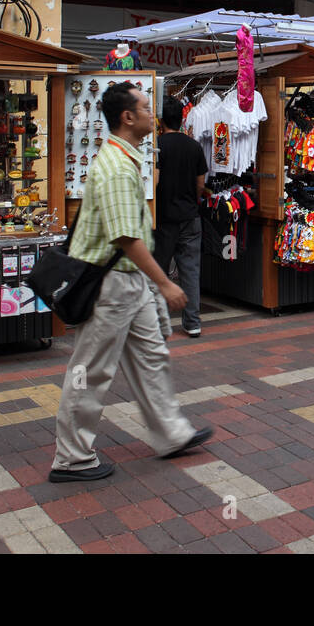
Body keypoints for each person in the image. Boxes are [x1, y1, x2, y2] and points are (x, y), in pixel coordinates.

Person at [50, 82, 212, 482]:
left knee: (152, 357)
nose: (150, 113)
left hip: (128, 280)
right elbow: (126, 237)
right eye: (144, 107)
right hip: (111, 283)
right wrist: (166, 284)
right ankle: (71, 458)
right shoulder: (118, 166)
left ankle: (171, 433)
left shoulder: (125, 158)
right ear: (127, 117)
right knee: (90, 371)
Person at [154, 94, 207, 338]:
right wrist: (192, 202)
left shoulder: (157, 147)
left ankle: (158, 322)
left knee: (159, 271)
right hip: (190, 216)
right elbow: (200, 183)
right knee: (190, 271)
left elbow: (152, 183)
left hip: (164, 218)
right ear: (181, 118)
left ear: (161, 120)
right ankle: (193, 322)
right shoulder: (194, 146)